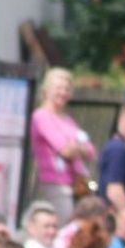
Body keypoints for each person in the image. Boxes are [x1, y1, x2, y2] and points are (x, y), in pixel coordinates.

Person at [30, 68, 96, 224]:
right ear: (46, 90)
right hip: (57, 184)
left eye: (67, 89)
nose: (63, 92)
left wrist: (76, 148)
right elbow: (65, 150)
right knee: (66, 223)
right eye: (58, 88)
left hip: (81, 183)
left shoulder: (68, 120)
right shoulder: (41, 116)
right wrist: (78, 148)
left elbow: (92, 151)